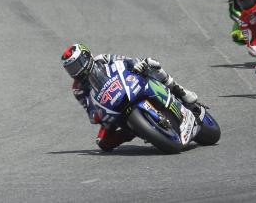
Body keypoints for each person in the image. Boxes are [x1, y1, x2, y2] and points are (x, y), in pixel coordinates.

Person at [62, 44, 198, 151]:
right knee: (103, 143)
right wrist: (96, 115)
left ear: (87, 57)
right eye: (71, 69)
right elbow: (89, 109)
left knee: (151, 63)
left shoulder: (103, 59)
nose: (76, 71)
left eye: (77, 65)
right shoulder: (78, 88)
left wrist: (136, 65)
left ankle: (179, 90)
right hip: (110, 107)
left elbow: (127, 61)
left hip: (129, 85)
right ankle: (135, 130)